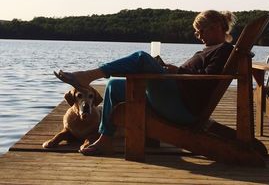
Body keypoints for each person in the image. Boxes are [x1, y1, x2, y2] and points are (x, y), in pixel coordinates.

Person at [54, 10, 237, 155]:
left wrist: (177, 71)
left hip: (182, 107)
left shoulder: (223, 50)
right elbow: (194, 75)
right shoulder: (209, 50)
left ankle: (89, 76)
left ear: (216, 27)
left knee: (141, 58)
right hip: (173, 96)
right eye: (197, 32)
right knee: (114, 86)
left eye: (200, 31)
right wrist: (169, 70)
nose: (198, 36)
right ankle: (105, 140)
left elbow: (207, 80)